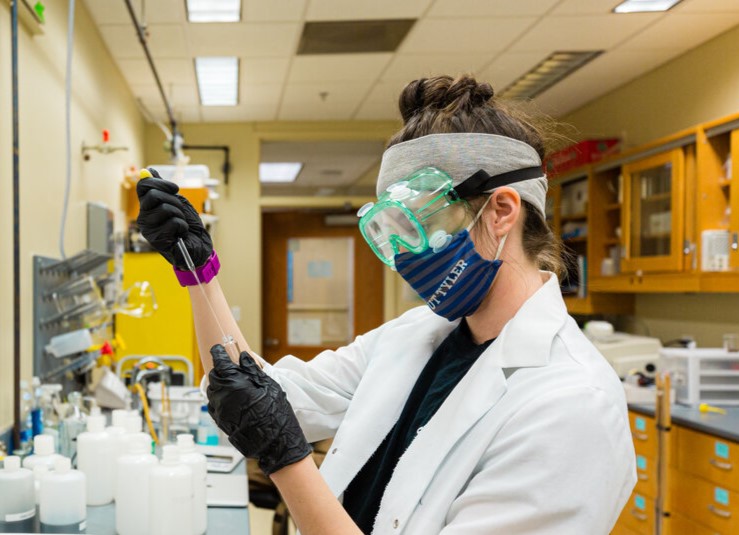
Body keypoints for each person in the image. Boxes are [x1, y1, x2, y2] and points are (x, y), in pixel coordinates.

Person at [136, 74, 636, 535]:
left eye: (419, 222)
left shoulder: (571, 405)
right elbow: (258, 392)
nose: (403, 257)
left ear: (501, 210)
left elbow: (275, 430)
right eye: (390, 233)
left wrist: (285, 459)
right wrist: (197, 272)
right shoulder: (415, 336)